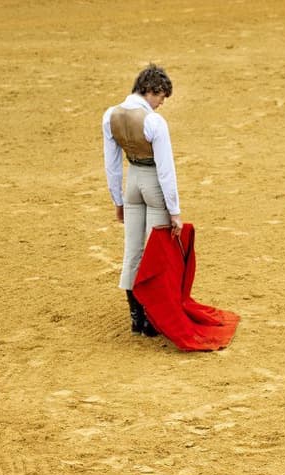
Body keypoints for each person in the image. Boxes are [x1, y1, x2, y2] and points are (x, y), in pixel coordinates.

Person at [102, 64, 183, 336]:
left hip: (132, 182)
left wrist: (119, 200)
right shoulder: (153, 122)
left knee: (133, 249)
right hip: (153, 184)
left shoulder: (110, 115)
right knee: (155, 252)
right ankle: (151, 320)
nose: (161, 103)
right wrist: (175, 211)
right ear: (152, 89)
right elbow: (166, 169)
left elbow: (112, 165)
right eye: (161, 97)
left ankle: (136, 318)